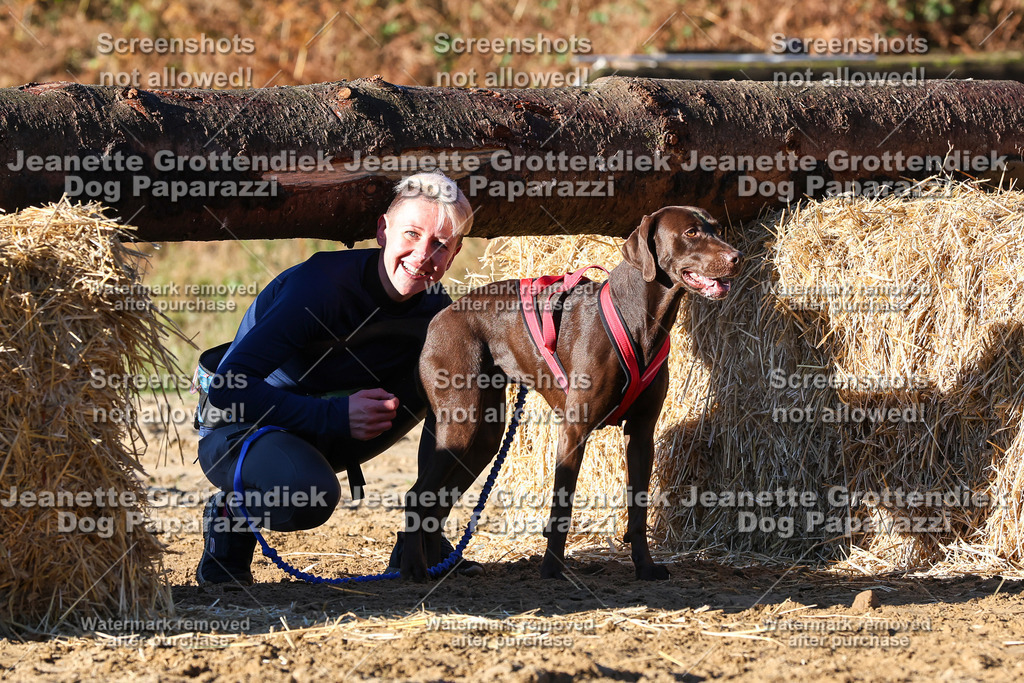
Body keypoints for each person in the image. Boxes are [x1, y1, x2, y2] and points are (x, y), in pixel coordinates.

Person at [193, 170, 479, 585]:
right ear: (382, 230)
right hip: (242, 430)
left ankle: (421, 538)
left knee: (458, 379)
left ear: (454, 254)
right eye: (412, 234)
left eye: (440, 244)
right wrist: (335, 415)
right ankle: (229, 517)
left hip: (331, 426)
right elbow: (226, 388)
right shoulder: (320, 288)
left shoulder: (435, 311)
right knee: (309, 497)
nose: (422, 255)